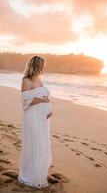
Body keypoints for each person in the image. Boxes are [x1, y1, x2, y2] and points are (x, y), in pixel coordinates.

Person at [18, 56, 52, 188]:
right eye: (42, 66)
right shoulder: (26, 81)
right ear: (36, 65)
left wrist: (49, 109)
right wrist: (43, 101)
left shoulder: (39, 80)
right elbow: (25, 101)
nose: (43, 68)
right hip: (32, 117)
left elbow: (46, 96)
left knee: (41, 143)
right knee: (34, 142)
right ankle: (30, 174)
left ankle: (39, 172)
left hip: (42, 118)